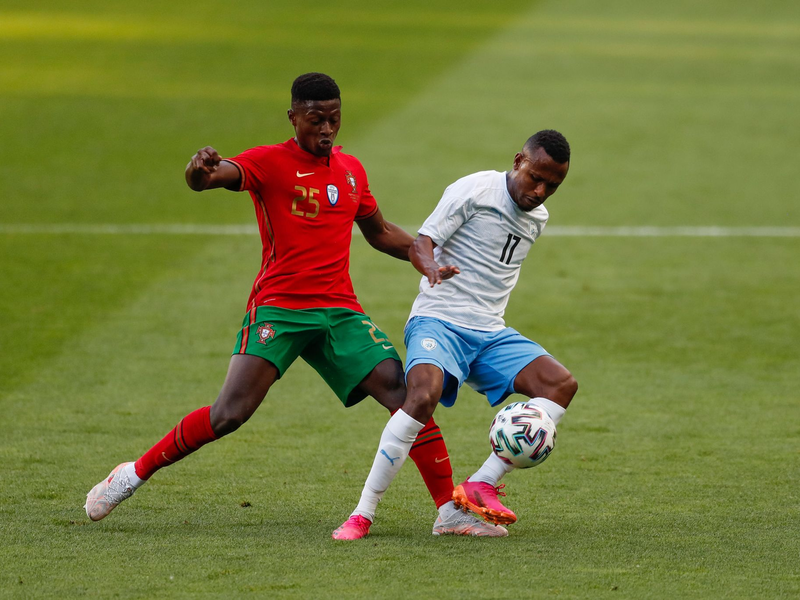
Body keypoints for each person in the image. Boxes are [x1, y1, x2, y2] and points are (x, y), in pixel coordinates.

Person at [85, 73, 502, 537]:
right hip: (280, 308)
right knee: (230, 414)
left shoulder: (351, 170)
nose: (326, 129)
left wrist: (427, 259)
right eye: (315, 120)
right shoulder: (269, 163)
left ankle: (448, 510)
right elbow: (210, 178)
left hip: (339, 312)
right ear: (293, 118)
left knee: (406, 397)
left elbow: (380, 232)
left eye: (334, 119)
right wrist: (198, 170)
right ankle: (132, 474)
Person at [332, 130, 578, 540]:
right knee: (421, 397)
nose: (540, 191)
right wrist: (429, 267)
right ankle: (362, 513)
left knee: (560, 385)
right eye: (535, 177)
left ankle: (480, 484)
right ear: (518, 160)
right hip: (439, 320)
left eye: (552, 185)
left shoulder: (538, 218)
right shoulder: (474, 190)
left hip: (489, 332)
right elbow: (423, 241)